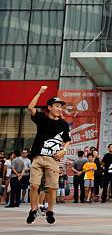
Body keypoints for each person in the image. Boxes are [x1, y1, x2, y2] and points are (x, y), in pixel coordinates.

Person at [25, 86, 71, 225]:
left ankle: (50, 211)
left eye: (61, 107)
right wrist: (39, 92)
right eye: (57, 106)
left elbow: (67, 141)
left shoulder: (63, 124)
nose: (59, 109)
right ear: (50, 107)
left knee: (52, 187)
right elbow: (30, 107)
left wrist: (64, 150)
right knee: (34, 185)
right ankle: (33, 209)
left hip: (53, 160)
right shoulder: (42, 119)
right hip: (38, 158)